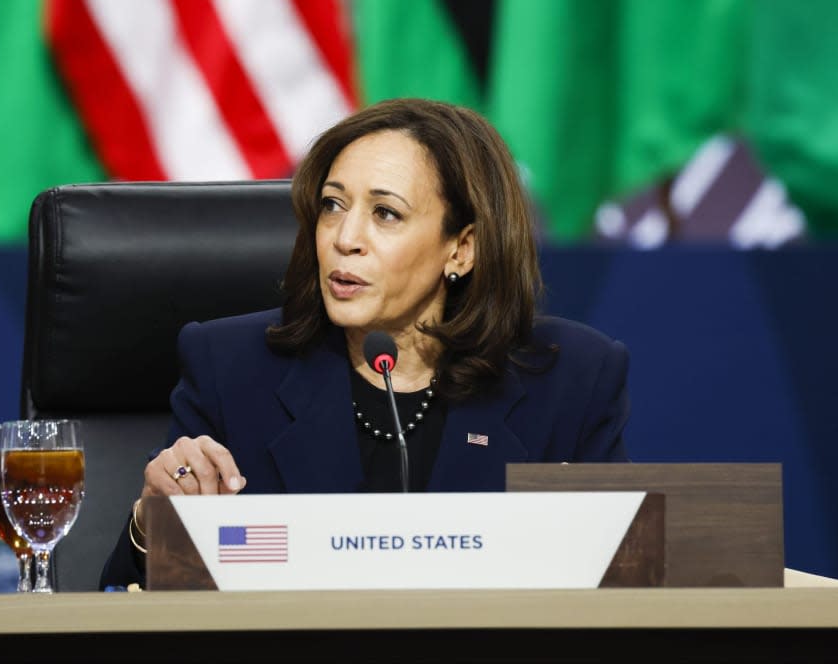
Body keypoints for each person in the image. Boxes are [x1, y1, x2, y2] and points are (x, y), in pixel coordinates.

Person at [100, 98, 629, 588]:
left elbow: (627, 585)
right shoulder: (231, 368)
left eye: (385, 213)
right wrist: (152, 524)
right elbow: (130, 596)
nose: (344, 238)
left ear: (461, 249)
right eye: (333, 205)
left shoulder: (568, 379)